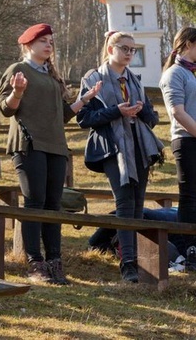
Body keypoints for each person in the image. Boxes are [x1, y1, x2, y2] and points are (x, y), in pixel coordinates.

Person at [0, 23, 99, 285]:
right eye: (43, 40)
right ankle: (35, 262)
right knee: (35, 203)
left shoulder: (52, 76)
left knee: (54, 205)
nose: (48, 45)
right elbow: (6, 110)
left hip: (56, 146)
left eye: (51, 41)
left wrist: (84, 99)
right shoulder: (17, 70)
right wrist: (18, 92)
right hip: (29, 145)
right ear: (28, 44)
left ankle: (55, 261)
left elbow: (63, 115)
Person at [77, 31, 162, 283]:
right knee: (124, 203)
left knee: (137, 204)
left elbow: (153, 119)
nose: (129, 54)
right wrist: (116, 112)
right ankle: (128, 265)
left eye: (132, 50)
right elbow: (85, 119)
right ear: (110, 48)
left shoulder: (134, 80)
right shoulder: (93, 78)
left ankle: (140, 261)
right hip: (113, 148)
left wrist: (142, 111)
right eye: (124, 48)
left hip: (138, 146)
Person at [159, 26, 196, 271]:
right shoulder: (175, 74)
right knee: (190, 196)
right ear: (188, 44)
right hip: (186, 140)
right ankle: (189, 248)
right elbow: (177, 112)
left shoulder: (193, 73)